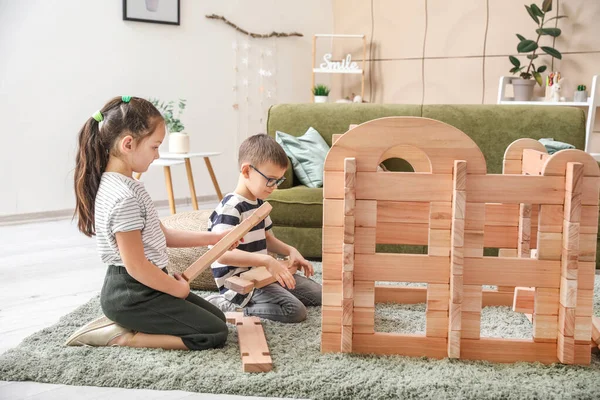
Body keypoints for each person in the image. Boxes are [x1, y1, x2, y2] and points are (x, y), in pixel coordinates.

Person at [66, 95, 236, 350]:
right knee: (213, 334)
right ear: (128, 144)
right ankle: (120, 336)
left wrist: (215, 238)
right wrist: (174, 289)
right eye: (155, 147)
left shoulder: (127, 185)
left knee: (218, 318)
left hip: (144, 285)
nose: (157, 155)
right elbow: (136, 266)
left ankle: (131, 323)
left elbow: (161, 234)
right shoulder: (123, 198)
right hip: (131, 294)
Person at [205, 134, 322, 323]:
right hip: (241, 283)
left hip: (263, 274)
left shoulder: (259, 204)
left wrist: (290, 250)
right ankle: (228, 305)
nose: (274, 187)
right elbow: (221, 255)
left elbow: (267, 239)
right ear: (246, 171)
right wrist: (267, 260)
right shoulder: (231, 208)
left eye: (278, 181)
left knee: (319, 294)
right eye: (271, 179)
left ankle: (272, 296)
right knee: (295, 311)